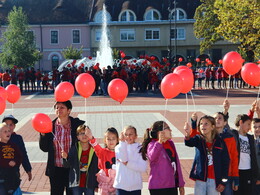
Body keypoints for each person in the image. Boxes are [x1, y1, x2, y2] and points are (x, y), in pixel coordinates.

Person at [39, 100, 85, 195]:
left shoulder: (77, 126)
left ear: (69, 110)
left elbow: (85, 143)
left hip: (72, 169)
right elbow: (44, 148)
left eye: (62, 107)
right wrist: (43, 135)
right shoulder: (50, 126)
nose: (59, 109)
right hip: (56, 169)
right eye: (56, 107)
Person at [190, 111, 239, 195]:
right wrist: (193, 123)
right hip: (202, 177)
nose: (217, 120)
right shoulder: (201, 138)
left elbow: (232, 158)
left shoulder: (227, 138)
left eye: (220, 118)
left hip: (224, 175)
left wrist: (234, 177)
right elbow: (191, 139)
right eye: (215, 118)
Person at [184, 115, 230, 195]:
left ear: (212, 127)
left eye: (206, 124)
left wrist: (223, 182)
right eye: (201, 124)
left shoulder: (220, 142)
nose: (203, 126)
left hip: (215, 179)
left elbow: (226, 162)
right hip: (200, 178)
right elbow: (189, 143)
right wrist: (188, 135)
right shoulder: (198, 139)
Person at [139, 121, 185, 195]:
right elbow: (152, 157)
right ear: (160, 132)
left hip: (171, 185)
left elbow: (177, 165)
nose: (171, 130)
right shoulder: (152, 144)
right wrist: (159, 142)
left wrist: (181, 184)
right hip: (157, 187)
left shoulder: (170, 143)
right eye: (168, 128)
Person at [62, 124, 99, 195]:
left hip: (90, 182)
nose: (84, 135)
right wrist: (66, 158)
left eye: (86, 133)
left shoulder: (94, 149)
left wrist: (97, 183)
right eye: (81, 133)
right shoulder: (74, 149)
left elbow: (97, 167)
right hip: (76, 182)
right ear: (77, 137)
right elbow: (68, 165)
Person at [2, 115, 32, 195]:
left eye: (11, 125)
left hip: (13, 174)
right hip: (1, 176)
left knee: (14, 190)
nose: (8, 127)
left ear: (14, 126)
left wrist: (28, 169)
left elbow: (23, 155)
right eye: (6, 124)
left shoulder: (17, 138)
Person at [113, 125, 147, 195]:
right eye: (126, 134)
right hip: (121, 186)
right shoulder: (118, 147)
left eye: (131, 134)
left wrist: (127, 163)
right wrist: (122, 143)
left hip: (135, 187)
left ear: (136, 136)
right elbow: (123, 158)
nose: (128, 137)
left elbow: (142, 167)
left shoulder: (141, 148)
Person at [232, 114, 258, 195]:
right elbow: (224, 126)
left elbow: (254, 157)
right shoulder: (233, 135)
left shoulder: (250, 138)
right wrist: (225, 111)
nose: (250, 127)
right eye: (248, 124)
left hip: (248, 171)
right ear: (241, 123)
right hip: (237, 171)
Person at [88, 127, 119, 195]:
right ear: (105, 140)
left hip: (117, 183)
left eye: (113, 138)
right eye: (108, 139)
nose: (111, 141)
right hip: (105, 184)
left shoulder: (120, 152)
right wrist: (91, 138)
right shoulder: (102, 152)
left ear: (117, 140)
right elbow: (96, 146)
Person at [0, 123, 22, 195]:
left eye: (9, 131)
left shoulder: (13, 145)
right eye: (5, 131)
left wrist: (15, 162)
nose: (8, 133)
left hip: (12, 178)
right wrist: (7, 163)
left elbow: (19, 157)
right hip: (2, 178)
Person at [251, 117, 260, 195]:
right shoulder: (249, 141)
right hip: (252, 178)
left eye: (259, 127)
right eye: (255, 127)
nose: (257, 129)